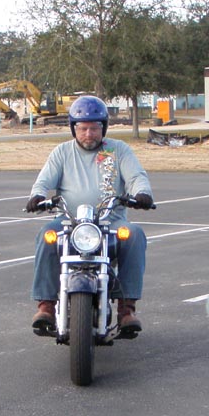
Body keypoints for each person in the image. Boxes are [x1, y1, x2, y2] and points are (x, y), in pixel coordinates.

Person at [25, 95, 154, 335]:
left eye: (94, 128)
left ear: (103, 127)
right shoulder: (62, 152)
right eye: (83, 128)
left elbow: (136, 176)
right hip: (68, 222)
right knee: (46, 235)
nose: (88, 134)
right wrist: (37, 196)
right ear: (73, 128)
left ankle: (126, 309)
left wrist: (142, 193)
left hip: (110, 222)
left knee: (134, 235)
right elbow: (44, 180)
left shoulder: (118, 150)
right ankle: (46, 306)